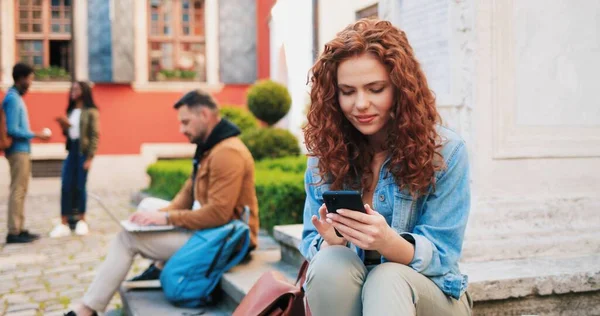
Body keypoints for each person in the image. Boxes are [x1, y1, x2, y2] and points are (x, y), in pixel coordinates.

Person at [299, 19, 472, 315]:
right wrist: (332, 241)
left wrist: (388, 242)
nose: (361, 104)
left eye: (376, 89)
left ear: (401, 88)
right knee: (330, 263)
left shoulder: (445, 152)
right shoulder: (325, 154)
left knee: (386, 278)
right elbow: (310, 241)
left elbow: (443, 255)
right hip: (351, 290)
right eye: (347, 91)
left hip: (431, 296)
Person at [68, 89, 259, 316]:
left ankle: (86, 309)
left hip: (227, 240)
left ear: (205, 115)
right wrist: (157, 217)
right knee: (148, 206)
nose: (182, 129)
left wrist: (167, 218)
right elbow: (186, 195)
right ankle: (158, 266)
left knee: (128, 239)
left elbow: (219, 214)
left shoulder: (227, 153)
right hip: (213, 233)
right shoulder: (209, 149)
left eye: (186, 122)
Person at [3, 63, 50, 244]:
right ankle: (14, 230)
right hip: (18, 150)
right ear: (21, 78)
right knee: (17, 190)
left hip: (21, 150)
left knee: (21, 190)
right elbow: (14, 129)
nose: (31, 83)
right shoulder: (13, 99)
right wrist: (36, 135)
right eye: (30, 79)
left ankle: (19, 228)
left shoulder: (14, 97)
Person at [50, 81, 100, 237]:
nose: (73, 91)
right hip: (71, 150)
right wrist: (64, 126)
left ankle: (81, 220)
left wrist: (90, 157)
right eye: (72, 89)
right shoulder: (71, 110)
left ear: (84, 91)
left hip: (82, 152)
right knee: (66, 185)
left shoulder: (91, 111)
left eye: (76, 89)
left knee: (80, 186)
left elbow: (94, 135)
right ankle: (64, 222)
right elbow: (70, 135)